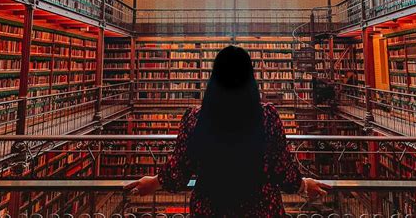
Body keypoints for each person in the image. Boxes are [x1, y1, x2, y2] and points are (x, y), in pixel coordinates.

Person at [125, 45, 330, 217]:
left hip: (211, 208)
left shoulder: (195, 118)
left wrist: (153, 183)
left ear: (214, 77)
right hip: (260, 208)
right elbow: (282, 168)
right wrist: (303, 186)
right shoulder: (267, 117)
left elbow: (180, 170)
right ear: (250, 77)